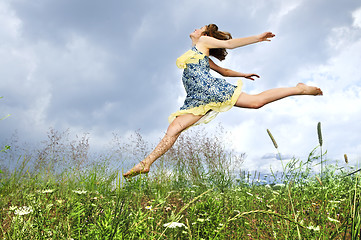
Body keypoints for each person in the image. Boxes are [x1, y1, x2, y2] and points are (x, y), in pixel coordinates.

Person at [123, 24, 322, 178]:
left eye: (199, 28)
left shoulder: (203, 42)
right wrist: (243, 74)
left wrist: (257, 38)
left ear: (205, 35)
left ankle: (299, 89)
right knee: (173, 131)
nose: (195, 29)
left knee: (255, 102)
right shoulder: (199, 52)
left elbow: (228, 44)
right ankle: (146, 163)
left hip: (210, 90)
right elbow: (223, 71)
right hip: (196, 99)